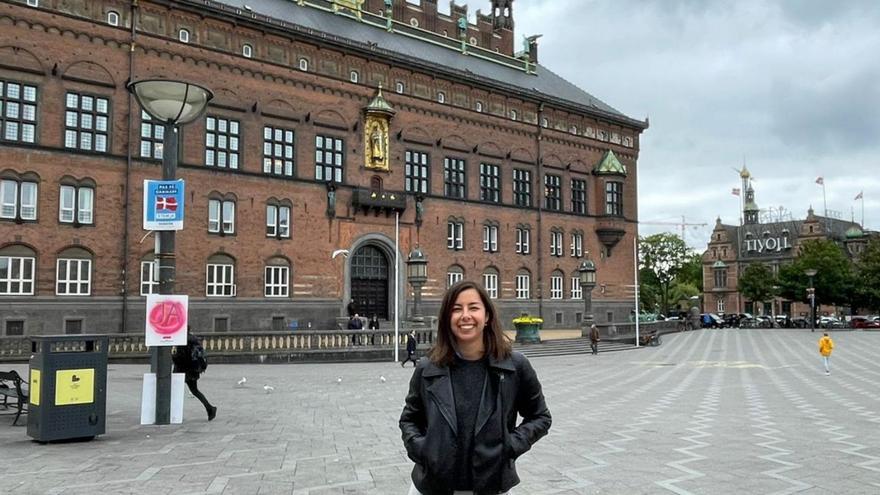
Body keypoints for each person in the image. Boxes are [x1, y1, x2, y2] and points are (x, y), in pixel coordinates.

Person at [399, 280, 551, 495]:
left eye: (473, 307)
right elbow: (409, 419)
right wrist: (423, 450)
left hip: (491, 485)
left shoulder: (515, 366)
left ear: (487, 316)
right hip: (432, 486)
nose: (465, 316)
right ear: (447, 318)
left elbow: (540, 416)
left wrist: (510, 446)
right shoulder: (428, 368)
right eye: (456, 309)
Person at [172, 330, 217, 421]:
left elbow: (180, 357)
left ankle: (172, 413)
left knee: (173, 390)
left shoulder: (182, 340)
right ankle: (210, 408)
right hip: (193, 369)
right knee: (194, 391)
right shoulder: (193, 339)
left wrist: (173, 356)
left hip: (183, 370)